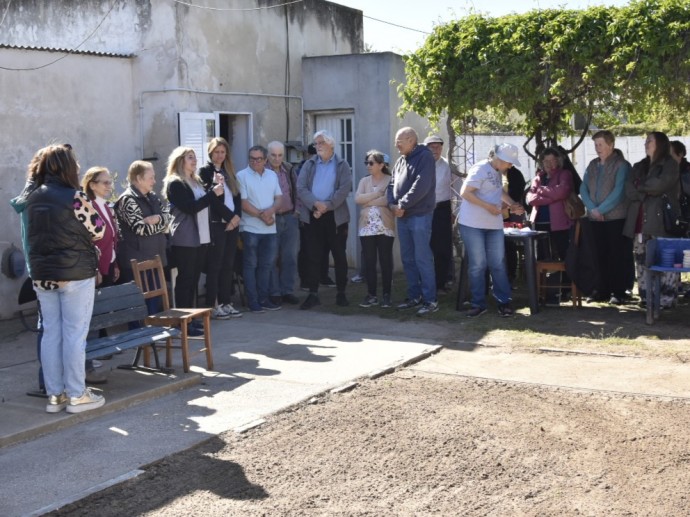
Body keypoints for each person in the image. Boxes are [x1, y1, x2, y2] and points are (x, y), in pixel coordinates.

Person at [19, 144, 105, 413]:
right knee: (74, 335)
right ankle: (77, 395)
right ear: (67, 167)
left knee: (51, 334)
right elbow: (98, 229)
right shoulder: (74, 196)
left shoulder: (30, 198)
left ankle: (55, 397)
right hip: (74, 273)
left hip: (42, 275)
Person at [458, 143, 525, 317]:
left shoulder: (497, 172)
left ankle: (504, 302)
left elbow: (499, 192)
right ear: (500, 158)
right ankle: (478, 303)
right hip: (472, 224)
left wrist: (512, 205)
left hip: (493, 224)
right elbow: (465, 192)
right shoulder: (480, 169)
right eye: (509, 162)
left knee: (498, 263)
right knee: (478, 265)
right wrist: (488, 207)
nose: (510, 166)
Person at [164, 147, 224, 330]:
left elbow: (209, 203)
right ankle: (181, 321)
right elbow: (190, 207)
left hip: (202, 237)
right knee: (185, 280)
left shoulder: (196, 181)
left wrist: (215, 189)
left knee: (194, 279)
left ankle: (191, 318)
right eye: (190, 157)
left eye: (195, 157)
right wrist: (212, 194)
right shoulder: (175, 183)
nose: (195, 160)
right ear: (180, 160)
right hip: (186, 239)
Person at [624, 132, 680, 308]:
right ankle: (646, 297)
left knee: (665, 259)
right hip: (639, 221)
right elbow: (629, 190)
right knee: (641, 260)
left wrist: (641, 187)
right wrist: (645, 189)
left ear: (660, 144)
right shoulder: (639, 166)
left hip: (661, 221)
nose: (646, 143)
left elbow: (660, 185)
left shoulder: (670, 164)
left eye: (650, 140)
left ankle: (666, 299)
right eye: (646, 140)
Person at [297, 130, 352, 309]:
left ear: (330, 144)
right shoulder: (309, 164)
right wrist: (315, 205)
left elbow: (344, 189)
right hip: (313, 216)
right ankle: (313, 294)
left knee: (339, 255)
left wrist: (326, 206)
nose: (317, 146)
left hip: (335, 217)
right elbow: (301, 187)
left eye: (321, 142)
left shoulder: (342, 165)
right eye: (316, 143)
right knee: (313, 256)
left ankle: (341, 293)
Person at [387, 127, 438, 316]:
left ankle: (430, 300)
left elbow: (421, 185)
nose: (396, 145)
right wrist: (392, 204)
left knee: (422, 258)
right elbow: (392, 184)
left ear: (411, 140)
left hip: (419, 215)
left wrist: (402, 204)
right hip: (402, 216)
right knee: (407, 258)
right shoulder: (401, 160)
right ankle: (414, 296)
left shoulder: (425, 157)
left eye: (399, 141)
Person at [580, 130, 632, 305]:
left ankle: (619, 291)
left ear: (611, 145)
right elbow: (583, 188)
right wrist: (593, 209)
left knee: (617, 255)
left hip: (615, 219)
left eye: (600, 144)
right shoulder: (593, 164)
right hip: (595, 218)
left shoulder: (621, 165)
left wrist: (601, 209)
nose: (597, 148)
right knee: (598, 255)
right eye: (595, 145)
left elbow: (619, 192)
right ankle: (601, 290)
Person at [81, 166, 120, 384]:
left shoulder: (106, 206)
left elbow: (111, 237)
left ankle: (93, 356)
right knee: (91, 317)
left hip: (107, 265)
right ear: (92, 184)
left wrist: (114, 263)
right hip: (92, 270)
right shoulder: (88, 206)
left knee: (97, 316)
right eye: (105, 182)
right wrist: (96, 268)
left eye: (109, 182)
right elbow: (90, 241)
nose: (109, 186)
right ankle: (88, 362)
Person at [198, 137, 242, 319]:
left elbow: (237, 196)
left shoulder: (229, 171)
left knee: (228, 265)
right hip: (218, 224)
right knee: (215, 265)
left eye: (223, 152)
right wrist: (229, 217)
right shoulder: (204, 172)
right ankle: (212, 304)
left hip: (233, 224)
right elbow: (212, 200)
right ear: (210, 152)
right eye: (216, 152)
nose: (220, 155)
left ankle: (226, 302)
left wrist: (237, 216)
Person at [237, 145, 283, 313]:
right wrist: (262, 216)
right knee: (250, 265)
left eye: (258, 159)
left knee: (266, 265)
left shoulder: (272, 175)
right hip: (250, 228)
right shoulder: (241, 176)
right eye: (251, 158)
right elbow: (243, 203)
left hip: (270, 228)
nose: (254, 162)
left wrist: (270, 212)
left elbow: (279, 198)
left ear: (265, 160)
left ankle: (263, 299)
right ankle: (253, 301)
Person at [526, 148, 574, 303]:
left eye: (552, 160)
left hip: (559, 223)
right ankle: (543, 293)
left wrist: (541, 192)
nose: (549, 164)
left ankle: (566, 290)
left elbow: (562, 193)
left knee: (563, 256)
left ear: (558, 161)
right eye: (545, 161)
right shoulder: (538, 177)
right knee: (541, 257)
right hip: (539, 223)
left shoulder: (564, 174)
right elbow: (531, 199)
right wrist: (551, 195)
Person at [115, 160, 170, 286]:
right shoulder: (127, 199)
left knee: (156, 301)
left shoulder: (153, 197)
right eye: (151, 178)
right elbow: (140, 229)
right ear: (139, 178)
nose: (154, 181)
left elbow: (168, 221)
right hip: (137, 262)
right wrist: (161, 223)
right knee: (141, 302)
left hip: (156, 257)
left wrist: (157, 219)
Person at [355, 150, 394, 308]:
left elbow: (388, 200)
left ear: (381, 165)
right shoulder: (364, 181)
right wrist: (377, 194)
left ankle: (386, 294)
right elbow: (358, 199)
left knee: (385, 261)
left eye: (371, 163)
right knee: (369, 261)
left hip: (385, 226)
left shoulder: (390, 180)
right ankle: (371, 294)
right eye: (367, 163)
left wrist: (369, 200)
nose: (368, 166)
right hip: (366, 227)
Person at [266, 141, 300, 306]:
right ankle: (274, 292)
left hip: (289, 217)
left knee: (290, 256)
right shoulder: (262, 170)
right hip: (271, 218)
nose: (277, 159)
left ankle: (287, 290)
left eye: (280, 155)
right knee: (272, 257)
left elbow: (296, 189)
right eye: (273, 155)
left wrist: (297, 210)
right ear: (268, 154)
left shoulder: (288, 169)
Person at [424, 135, 454, 293]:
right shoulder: (421, 165)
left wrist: (456, 212)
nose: (435, 149)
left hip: (442, 209)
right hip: (423, 210)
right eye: (431, 146)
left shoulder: (448, 166)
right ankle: (425, 282)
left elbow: (457, 189)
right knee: (424, 247)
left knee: (442, 247)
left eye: (438, 146)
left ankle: (441, 283)